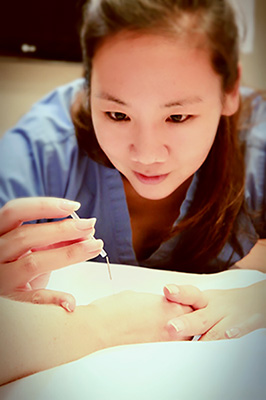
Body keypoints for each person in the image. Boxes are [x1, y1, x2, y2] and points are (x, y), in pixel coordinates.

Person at [0, 0, 265, 381]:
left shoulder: (256, 146)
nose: (147, 154)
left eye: (177, 116)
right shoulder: (42, 150)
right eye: (117, 115)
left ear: (229, 91)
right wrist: (102, 325)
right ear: (89, 89)